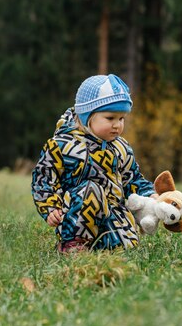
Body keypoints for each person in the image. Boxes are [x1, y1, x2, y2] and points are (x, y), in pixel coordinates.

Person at [31, 74, 156, 252]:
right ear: (87, 116)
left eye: (121, 119)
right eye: (110, 118)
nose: (117, 125)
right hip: (76, 213)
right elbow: (43, 179)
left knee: (126, 246)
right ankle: (73, 243)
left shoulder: (121, 148)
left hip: (112, 211)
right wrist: (50, 207)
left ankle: (105, 244)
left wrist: (151, 195)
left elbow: (132, 179)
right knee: (91, 189)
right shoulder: (62, 146)